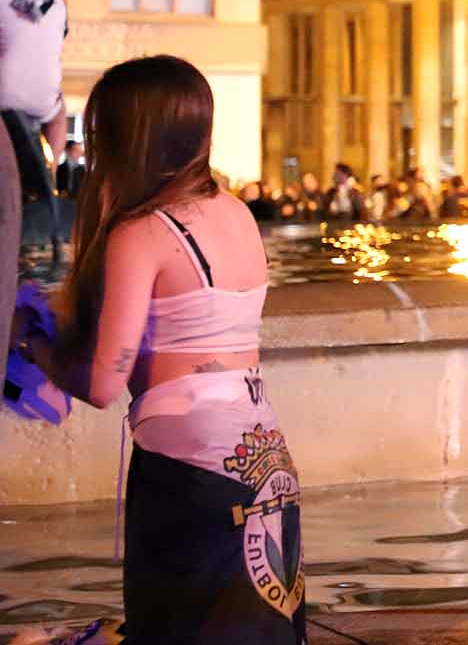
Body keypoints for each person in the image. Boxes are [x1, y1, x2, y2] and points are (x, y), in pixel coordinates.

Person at [15, 55, 304, 643]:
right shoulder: (238, 213)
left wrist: (30, 340)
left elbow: (100, 384)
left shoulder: (141, 233)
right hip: (262, 464)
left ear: (128, 139)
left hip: (187, 475)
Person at [1, 0, 69, 361]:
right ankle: (55, 168)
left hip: (4, 100)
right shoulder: (54, 1)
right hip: (42, 104)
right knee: (59, 109)